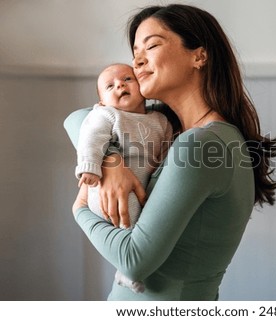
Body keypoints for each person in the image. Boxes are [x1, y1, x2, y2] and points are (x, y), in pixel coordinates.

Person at [64, 4, 276, 300]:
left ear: (199, 55)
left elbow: (134, 261)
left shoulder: (200, 144)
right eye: (135, 52)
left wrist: (80, 209)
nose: (137, 60)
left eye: (152, 45)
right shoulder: (171, 126)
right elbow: (79, 119)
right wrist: (111, 162)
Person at [74, 63, 172, 293]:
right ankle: (127, 268)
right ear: (101, 102)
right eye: (110, 86)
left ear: (142, 88)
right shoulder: (107, 114)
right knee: (126, 217)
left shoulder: (160, 120)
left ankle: (126, 267)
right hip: (105, 189)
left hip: (140, 185)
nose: (120, 85)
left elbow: (166, 149)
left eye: (127, 79)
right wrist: (89, 166)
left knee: (140, 222)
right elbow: (91, 137)